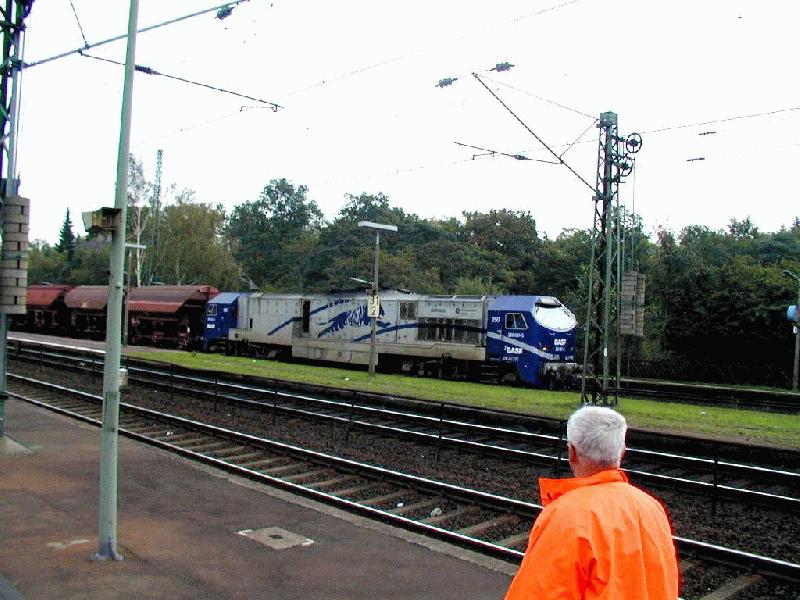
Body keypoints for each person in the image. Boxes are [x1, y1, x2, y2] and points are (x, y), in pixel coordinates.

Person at [504, 406, 679, 600]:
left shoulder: (566, 517)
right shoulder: (652, 508)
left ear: (572, 452)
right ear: (621, 452)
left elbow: (539, 592)